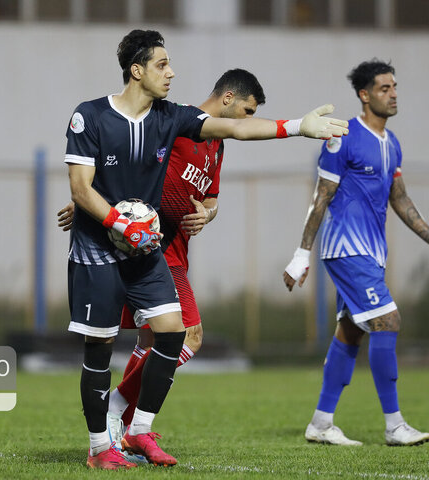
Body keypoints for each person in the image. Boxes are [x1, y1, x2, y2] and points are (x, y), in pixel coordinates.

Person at [65, 29, 348, 470]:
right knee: (105, 347)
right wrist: (99, 209)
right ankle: (104, 441)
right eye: (162, 64)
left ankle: (136, 429)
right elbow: (92, 182)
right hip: (104, 250)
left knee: (174, 332)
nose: (172, 72)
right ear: (137, 70)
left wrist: (297, 127)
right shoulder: (94, 116)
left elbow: (232, 134)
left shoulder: (180, 122)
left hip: (153, 251)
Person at [60, 68, 266, 461]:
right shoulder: (178, 122)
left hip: (173, 249)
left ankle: (127, 425)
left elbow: (211, 198)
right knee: (188, 334)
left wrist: (208, 214)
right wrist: (86, 202)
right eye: (247, 111)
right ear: (227, 99)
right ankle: (123, 412)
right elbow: (126, 169)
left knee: (155, 339)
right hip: (153, 248)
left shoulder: (216, 145)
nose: (248, 121)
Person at [282, 59, 429, 447]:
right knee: (388, 320)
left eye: (395, 87)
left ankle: (321, 423)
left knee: (350, 334)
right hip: (346, 249)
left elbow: (401, 199)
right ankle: (394, 425)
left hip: (372, 252)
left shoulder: (391, 144)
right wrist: (301, 254)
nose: (393, 94)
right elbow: (320, 197)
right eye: (384, 88)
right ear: (364, 95)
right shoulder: (342, 137)